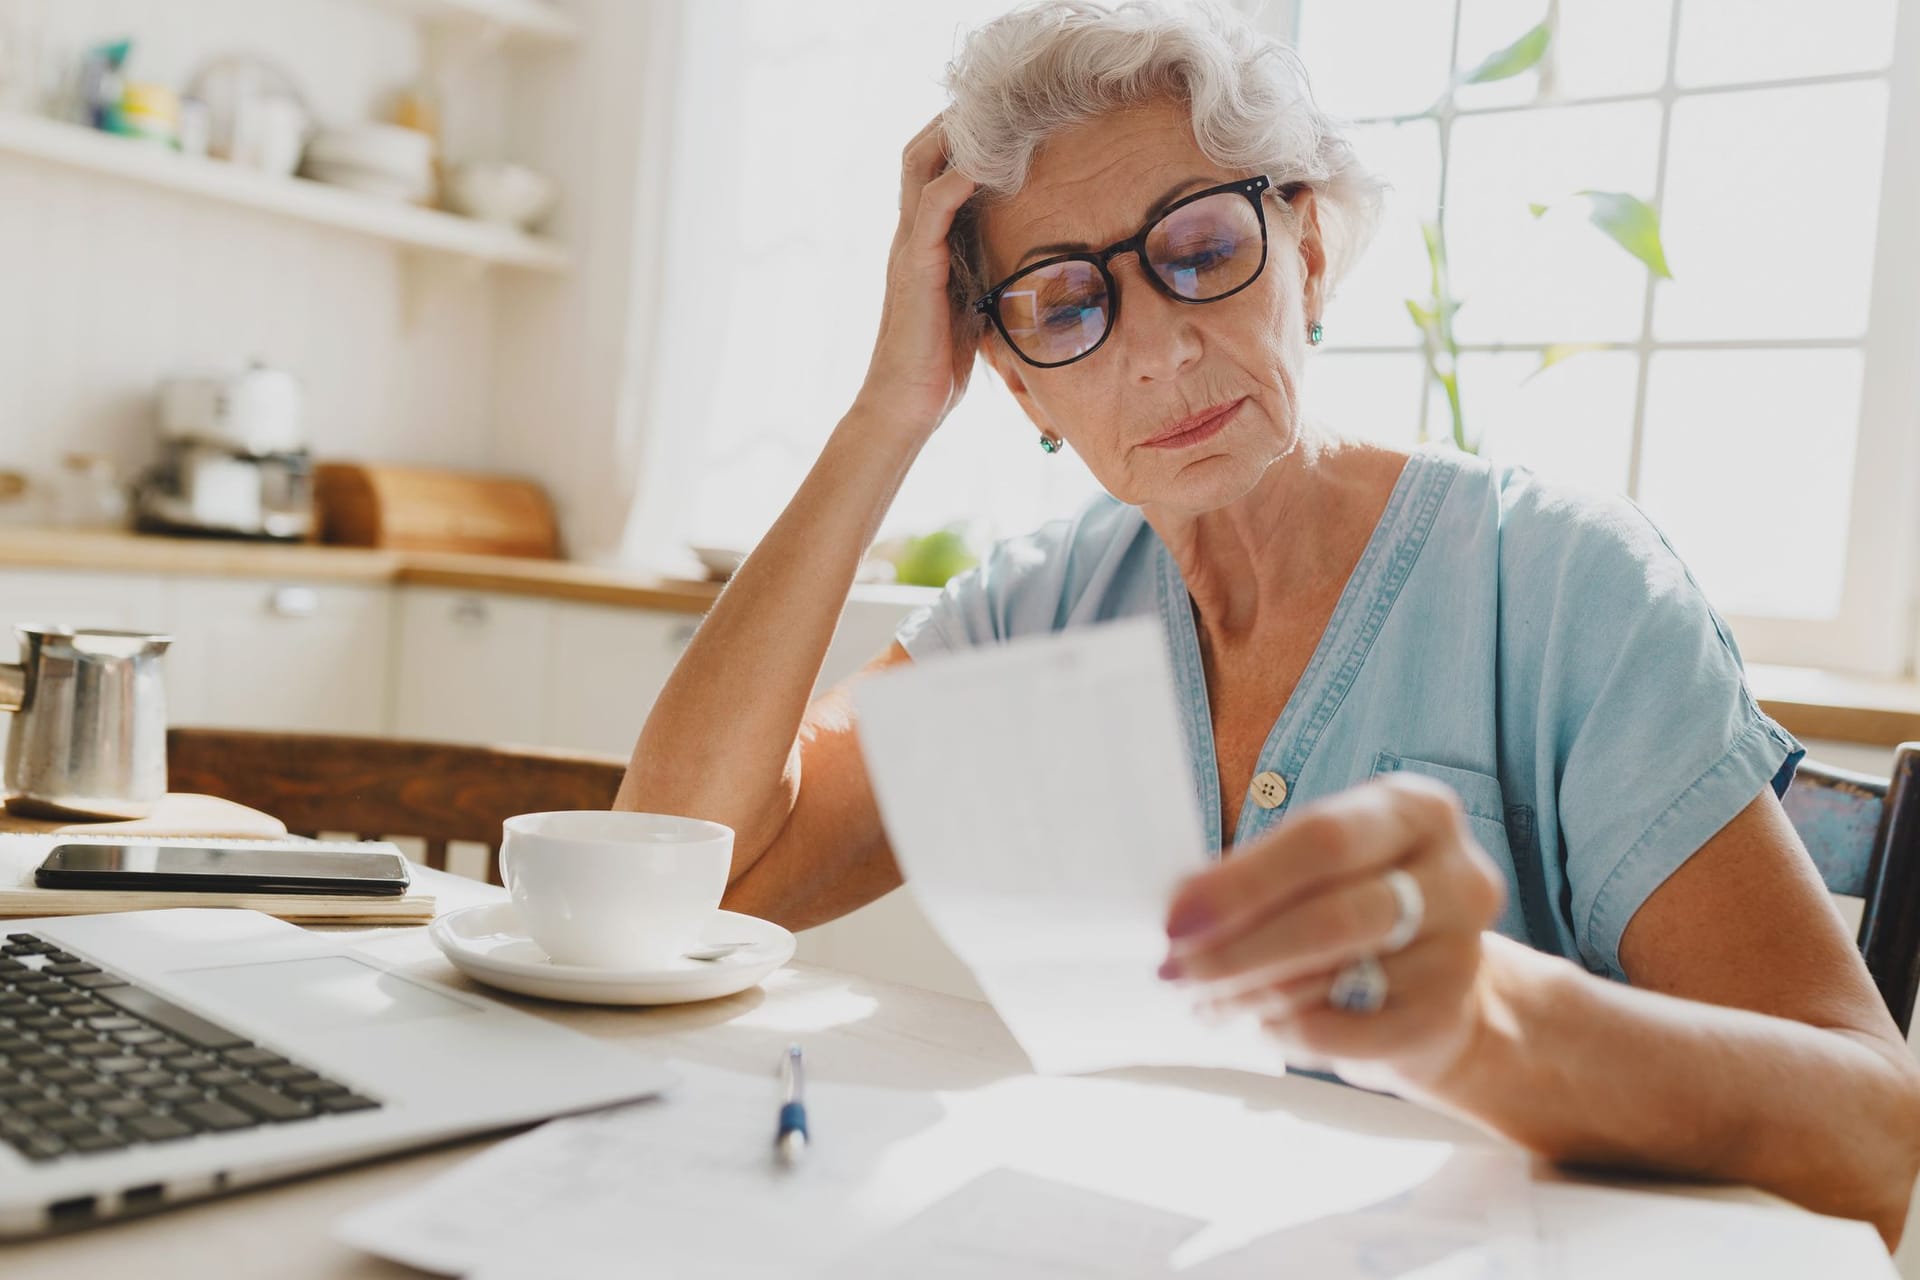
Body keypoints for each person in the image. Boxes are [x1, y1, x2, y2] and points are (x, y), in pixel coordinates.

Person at [616, 0, 1920, 1243]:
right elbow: (678, 879)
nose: (1161, 352)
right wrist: (885, 417)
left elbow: (1870, 1139)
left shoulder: (1575, 589)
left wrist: (1486, 1020)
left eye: (1199, 252)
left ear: (1303, 249)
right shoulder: (1037, 610)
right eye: (1067, 305)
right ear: (1015, 380)